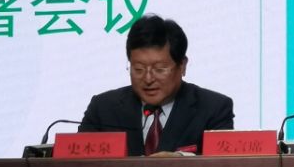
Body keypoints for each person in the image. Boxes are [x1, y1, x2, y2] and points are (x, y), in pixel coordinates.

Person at [79, 14, 233, 155]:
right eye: (138, 69)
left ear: (182, 65)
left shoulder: (214, 109)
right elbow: (77, 162)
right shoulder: (103, 108)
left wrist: (181, 160)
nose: (148, 79)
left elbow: (222, 165)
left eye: (159, 69)